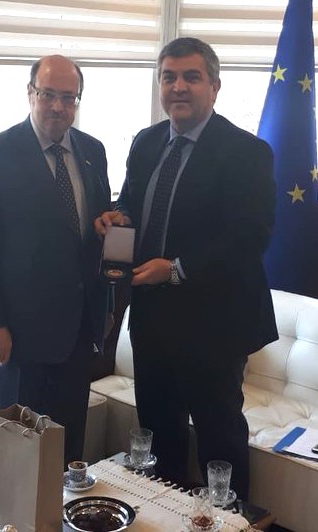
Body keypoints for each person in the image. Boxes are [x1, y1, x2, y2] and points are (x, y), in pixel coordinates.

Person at [95, 37, 278, 500]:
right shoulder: (146, 141)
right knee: (158, 435)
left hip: (215, 325)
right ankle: (166, 516)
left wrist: (175, 269)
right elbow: (132, 202)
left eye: (191, 77)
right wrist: (118, 218)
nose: (178, 87)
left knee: (220, 439)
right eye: (169, 77)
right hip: (152, 319)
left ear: (214, 86)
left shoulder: (248, 152)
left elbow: (249, 238)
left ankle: (231, 524)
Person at [0, 55, 112, 466]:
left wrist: (104, 304)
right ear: (30, 94)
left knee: (67, 455)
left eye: (68, 97)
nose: (58, 107)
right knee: (16, 461)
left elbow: (92, 234)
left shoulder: (92, 151)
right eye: (48, 95)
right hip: (16, 342)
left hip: (77, 337)